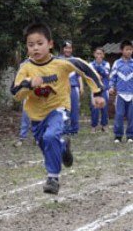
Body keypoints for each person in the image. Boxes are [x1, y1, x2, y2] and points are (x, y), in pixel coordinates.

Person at [11, 22, 105, 195]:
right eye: (31, 45)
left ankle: (53, 178)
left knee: (51, 136)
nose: (36, 48)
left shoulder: (62, 64)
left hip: (58, 108)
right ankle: (63, 147)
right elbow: (15, 93)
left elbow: (85, 68)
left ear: (50, 44)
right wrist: (29, 84)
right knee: (46, 143)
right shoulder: (25, 68)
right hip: (36, 116)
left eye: (40, 44)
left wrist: (98, 92)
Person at [109, 40, 133, 143]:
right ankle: (118, 136)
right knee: (119, 115)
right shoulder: (117, 63)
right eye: (127, 49)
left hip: (132, 94)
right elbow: (112, 77)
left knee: (131, 116)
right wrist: (111, 87)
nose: (129, 51)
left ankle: (130, 136)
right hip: (120, 94)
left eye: (131, 49)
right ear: (122, 50)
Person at [60, 41, 84, 135]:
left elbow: (79, 75)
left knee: (74, 109)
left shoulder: (75, 60)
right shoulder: (58, 60)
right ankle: (64, 129)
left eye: (69, 48)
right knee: (64, 109)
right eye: (66, 48)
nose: (68, 50)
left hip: (74, 88)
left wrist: (81, 86)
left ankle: (74, 129)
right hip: (62, 89)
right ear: (63, 49)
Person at [89, 47, 110, 133]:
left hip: (104, 88)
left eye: (100, 54)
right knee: (95, 108)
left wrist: (98, 67)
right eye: (97, 53)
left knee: (104, 107)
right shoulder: (90, 64)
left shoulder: (107, 64)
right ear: (94, 54)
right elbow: (90, 75)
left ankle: (104, 125)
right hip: (94, 89)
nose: (99, 55)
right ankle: (94, 126)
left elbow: (106, 73)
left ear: (103, 55)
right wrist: (98, 74)